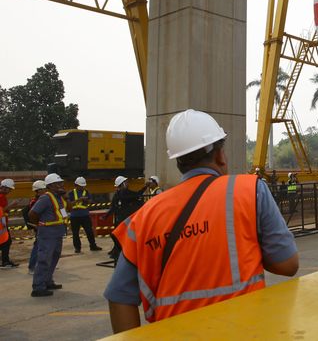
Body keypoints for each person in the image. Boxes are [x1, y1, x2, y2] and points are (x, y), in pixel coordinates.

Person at [104, 109, 298, 332]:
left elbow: (119, 297)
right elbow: (288, 264)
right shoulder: (250, 191)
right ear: (220, 156)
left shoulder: (144, 216)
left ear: (178, 161)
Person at [28, 173, 69, 296]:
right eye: (58, 184)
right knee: (44, 259)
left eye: (61, 183)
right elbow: (32, 214)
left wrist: (66, 197)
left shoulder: (59, 198)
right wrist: (41, 225)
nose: (61, 185)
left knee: (54, 257)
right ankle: (38, 287)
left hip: (57, 233)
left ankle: (47, 281)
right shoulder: (45, 198)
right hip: (47, 234)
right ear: (50, 186)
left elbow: (69, 209)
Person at [103, 176, 145, 260]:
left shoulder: (117, 194)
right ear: (122, 184)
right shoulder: (125, 193)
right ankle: (119, 252)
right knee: (121, 236)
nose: (127, 184)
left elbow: (112, 207)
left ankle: (117, 251)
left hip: (120, 218)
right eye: (126, 182)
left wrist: (106, 216)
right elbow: (137, 194)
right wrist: (145, 187)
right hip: (124, 219)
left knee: (117, 234)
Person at [68, 176, 102, 253]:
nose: (82, 187)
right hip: (74, 216)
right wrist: (79, 200)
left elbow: (90, 201)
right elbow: (69, 204)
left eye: (83, 186)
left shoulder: (86, 192)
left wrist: (86, 200)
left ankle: (93, 245)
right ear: (76, 185)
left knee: (89, 231)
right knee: (75, 233)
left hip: (85, 215)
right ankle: (77, 248)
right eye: (81, 186)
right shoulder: (71, 193)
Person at [22, 180, 47, 273]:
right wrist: (36, 225)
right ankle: (32, 267)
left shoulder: (43, 199)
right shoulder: (35, 201)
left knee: (45, 246)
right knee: (38, 246)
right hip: (40, 227)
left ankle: (45, 264)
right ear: (39, 190)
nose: (46, 190)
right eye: (44, 189)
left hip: (45, 226)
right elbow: (33, 215)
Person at [0, 178, 17, 268]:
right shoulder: (1, 197)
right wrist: (12, 205)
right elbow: (1, 210)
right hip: (1, 225)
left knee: (5, 242)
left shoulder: (3, 197)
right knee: (6, 242)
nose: (10, 191)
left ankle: (5, 260)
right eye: (9, 189)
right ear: (4, 187)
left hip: (2, 224)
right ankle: (5, 262)